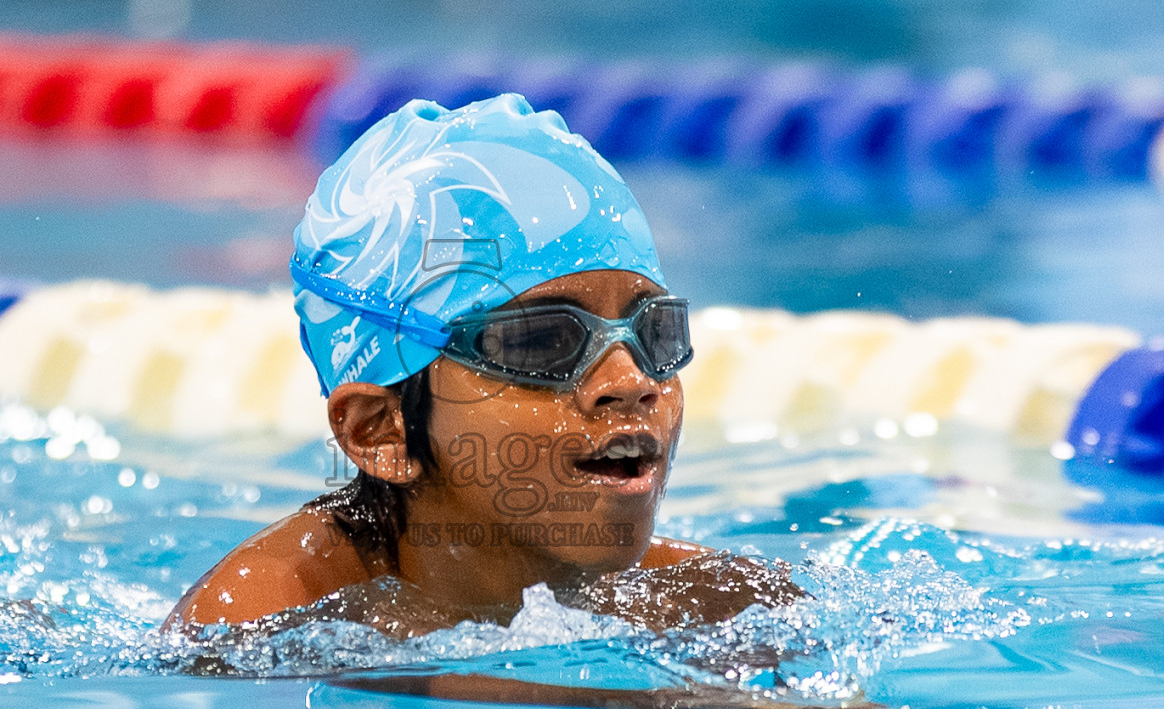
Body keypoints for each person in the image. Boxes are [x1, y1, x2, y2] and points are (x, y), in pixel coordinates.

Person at [168, 95, 798, 639]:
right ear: (379, 431)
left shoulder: (730, 608)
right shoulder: (257, 622)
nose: (631, 383)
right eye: (542, 344)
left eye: (653, 333)